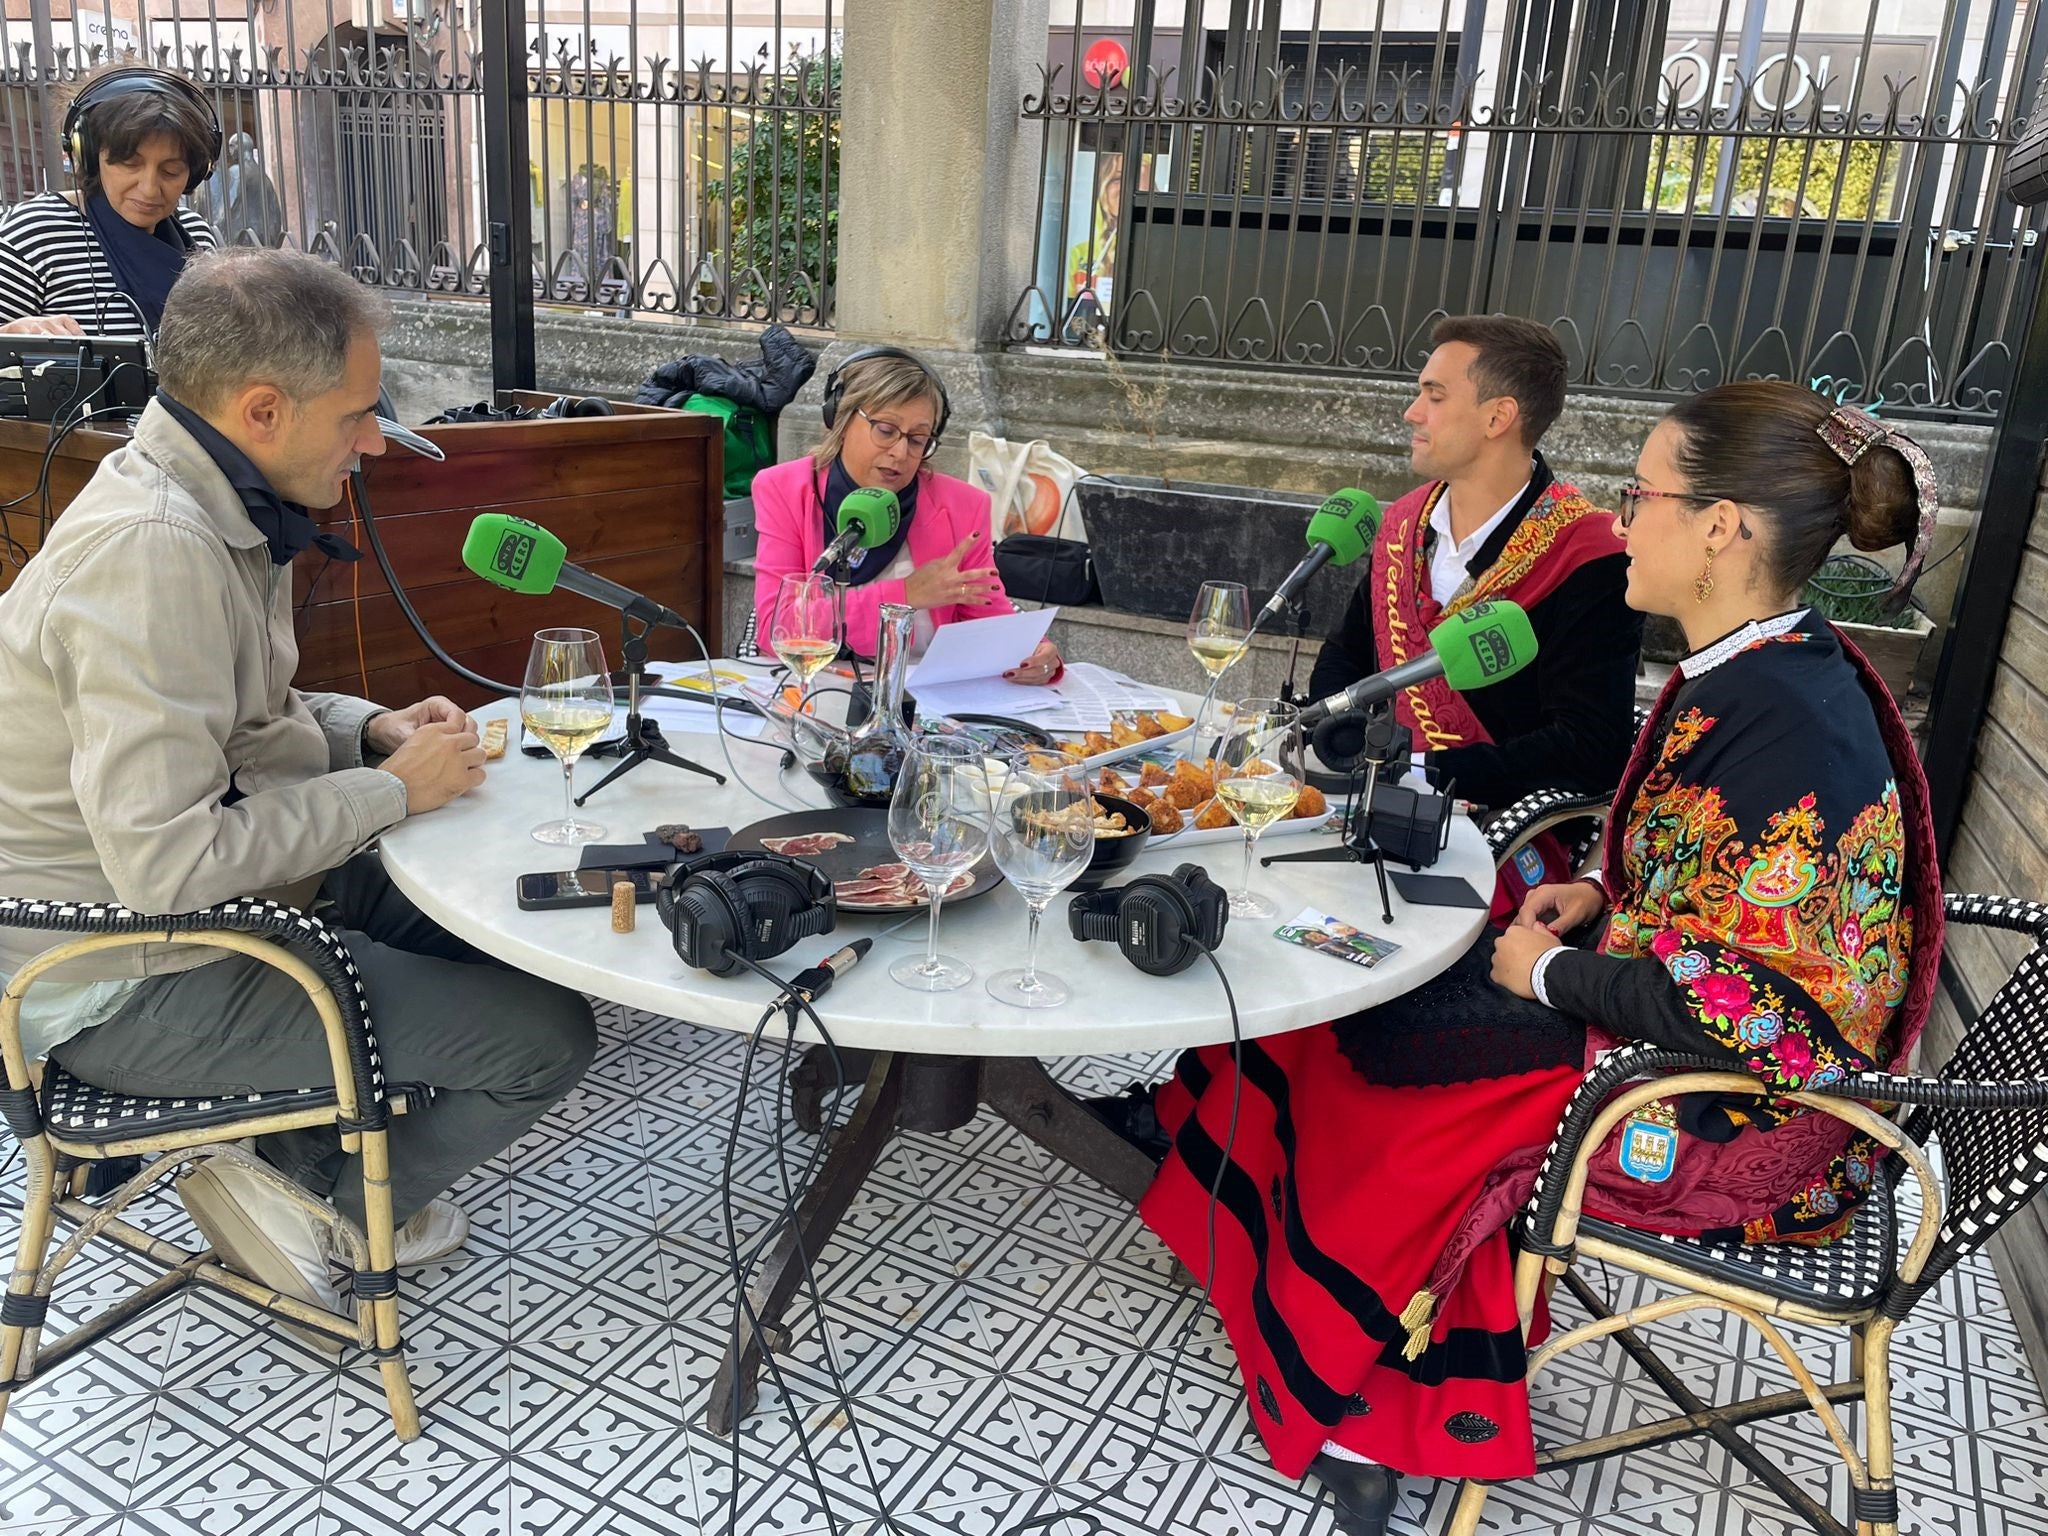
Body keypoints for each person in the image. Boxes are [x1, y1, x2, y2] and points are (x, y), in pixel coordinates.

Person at [1139, 380, 1943, 1535]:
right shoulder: (1755, 664)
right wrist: (1598, 892)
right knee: (1347, 983)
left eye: (1643, 493)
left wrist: (1551, 976)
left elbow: (1766, 1010)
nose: (1620, 522)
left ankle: (1380, 1405)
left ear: (1721, 527)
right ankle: (1243, 1250)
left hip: (1745, 1113)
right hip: (1661, 1012)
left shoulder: (1794, 716)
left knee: (1396, 1058)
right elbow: (1702, 885)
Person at [0, 248, 597, 1327]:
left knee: (518, 904)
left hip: (206, 912)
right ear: (263, 408)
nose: (376, 441)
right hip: (119, 978)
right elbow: (164, 865)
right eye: (359, 414)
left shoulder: (205, 494)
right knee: (547, 1038)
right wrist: (390, 795)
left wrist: (369, 732)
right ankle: (318, 1200)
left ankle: (288, 1142)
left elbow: (245, 721)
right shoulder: (152, 551)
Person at [1308, 315, 1642, 820]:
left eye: (1434, 396)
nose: (1411, 413)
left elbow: (1587, 746)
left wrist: (1416, 768)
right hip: (1360, 802)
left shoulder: (1589, 554)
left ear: (1497, 418)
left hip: (1495, 836)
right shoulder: (1404, 523)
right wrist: (1341, 744)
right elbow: (1345, 655)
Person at [750, 346, 1063, 681]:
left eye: (917, 440)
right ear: (840, 416)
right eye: (885, 430)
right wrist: (906, 595)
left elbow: (987, 616)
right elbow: (775, 630)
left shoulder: (963, 506)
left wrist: (1035, 651)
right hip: (816, 686)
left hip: (924, 698)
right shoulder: (784, 489)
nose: (900, 453)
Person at [0, 66, 222, 335]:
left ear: (197, 172)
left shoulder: (196, 234)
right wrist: (11, 336)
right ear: (90, 156)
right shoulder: (31, 234)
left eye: (171, 171)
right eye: (129, 164)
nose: (149, 189)